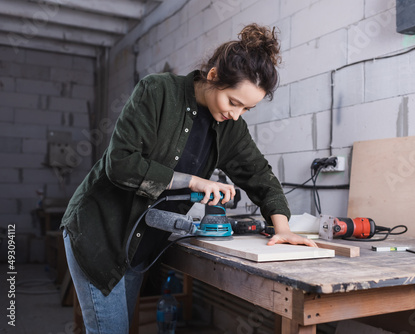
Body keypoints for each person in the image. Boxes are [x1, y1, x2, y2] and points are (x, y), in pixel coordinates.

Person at [61, 23, 316, 333]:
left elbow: (258, 174)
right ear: (212, 77)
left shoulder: (230, 128)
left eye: (247, 109)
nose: (236, 114)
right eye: (233, 102)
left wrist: (283, 227)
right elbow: (121, 164)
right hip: (100, 232)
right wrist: (194, 182)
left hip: (138, 243)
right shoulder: (157, 91)